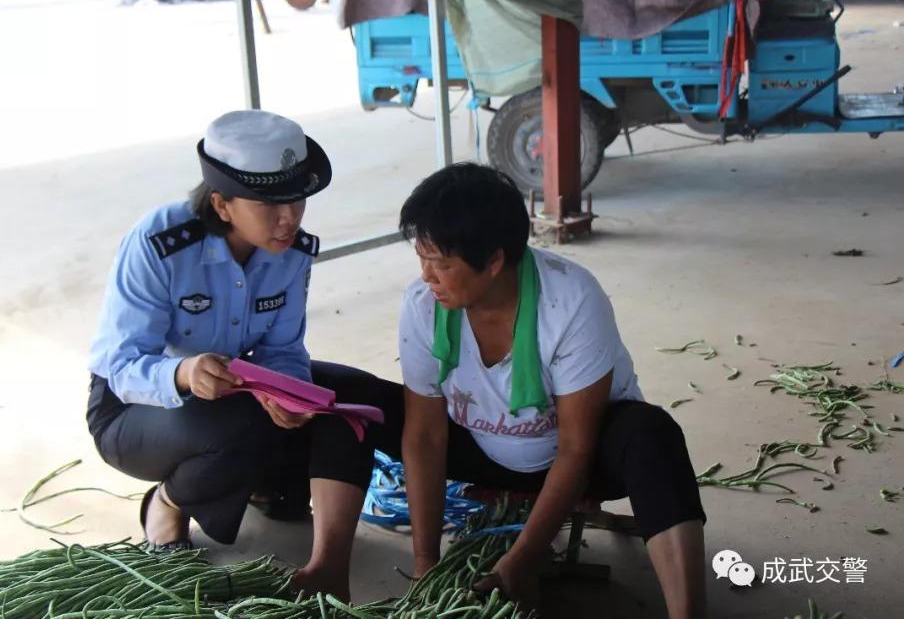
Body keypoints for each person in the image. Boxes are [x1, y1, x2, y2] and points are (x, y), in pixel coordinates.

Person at [86, 110, 397, 600]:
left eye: (298, 199)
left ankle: (280, 505)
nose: (290, 217)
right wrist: (185, 373)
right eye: (270, 204)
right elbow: (121, 365)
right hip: (133, 409)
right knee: (240, 427)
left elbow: (284, 350)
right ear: (222, 205)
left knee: (350, 397)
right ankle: (167, 504)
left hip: (234, 390)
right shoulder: (159, 244)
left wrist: (289, 397)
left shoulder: (291, 253)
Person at [392, 163, 708, 618]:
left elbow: (576, 448)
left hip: (580, 456)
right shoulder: (423, 304)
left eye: (441, 263)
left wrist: (519, 560)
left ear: (495, 260)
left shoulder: (571, 301)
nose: (427, 276)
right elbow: (424, 435)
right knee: (362, 404)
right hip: (484, 449)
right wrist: (426, 563)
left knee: (652, 433)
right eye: (421, 258)